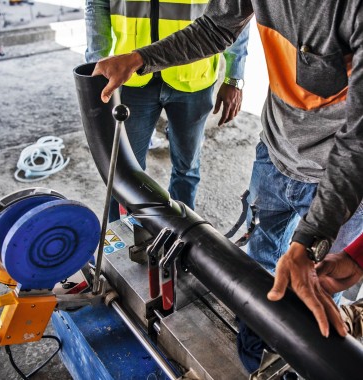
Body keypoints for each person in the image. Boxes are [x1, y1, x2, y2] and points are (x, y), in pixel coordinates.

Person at [90, 0, 363, 371]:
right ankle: (257, 349)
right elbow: (216, 28)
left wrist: (311, 236)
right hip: (275, 151)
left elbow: (357, 144)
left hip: (338, 181)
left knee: (325, 303)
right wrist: (139, 59)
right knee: (262, 258)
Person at [84, 0, 250, 221]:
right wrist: (97, 63)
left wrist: (234, 76)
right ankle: (124, 238)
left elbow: (235, 12)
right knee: (124, 172)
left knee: (187, 168)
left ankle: (182, 232)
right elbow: (96, 4)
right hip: (131, 77)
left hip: (192, 76)